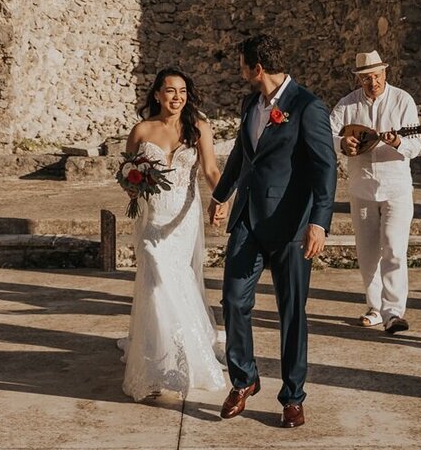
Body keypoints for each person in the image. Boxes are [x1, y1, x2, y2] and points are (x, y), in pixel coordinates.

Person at [209, 33, 337, 428]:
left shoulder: (308, 106)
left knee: (292, 313)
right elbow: (241, 156)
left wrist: (319, 222)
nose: (241, 71)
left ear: (257, 68)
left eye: (243, 65)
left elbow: (325, 168)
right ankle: (244, 379)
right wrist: (220, 195)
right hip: (249, 219)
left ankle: (293, 396)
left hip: (293, 227)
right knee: (232, 299)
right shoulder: (251, 103)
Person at [120, 66, 228, 402]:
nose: (177, 97)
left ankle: (184, 354)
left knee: (176, 279)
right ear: (157, 94)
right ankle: (156, 365)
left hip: (183, 216)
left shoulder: (198, 128)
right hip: (152, 217)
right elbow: (125, 173)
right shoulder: (141, 130)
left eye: (182, 91)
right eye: (170, 91)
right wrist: (134, 184)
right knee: (156, 281)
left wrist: (221, 199)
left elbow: (210, 169)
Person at [330, 48, 421, 335]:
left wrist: (397, 143)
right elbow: (329, 135)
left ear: (385, 73)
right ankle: (375, 307)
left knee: (394, 248)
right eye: (367, 78)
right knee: (368, 252)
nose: (373, 83)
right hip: (362, 188)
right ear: (360, 79)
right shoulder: (347, 106)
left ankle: (394, 312)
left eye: (378, 76)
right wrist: (343, 145)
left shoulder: (402, 100)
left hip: (396, 188)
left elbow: (416, 144)